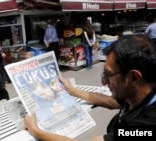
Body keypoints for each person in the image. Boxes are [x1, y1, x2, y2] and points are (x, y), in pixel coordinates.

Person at [24, 34, 156, 141]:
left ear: (133, 77)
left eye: (108, 74)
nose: (104, 82)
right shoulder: (140, 94)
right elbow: (110, 102)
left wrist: (36, 131)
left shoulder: (145, 126)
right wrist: (72, 90)